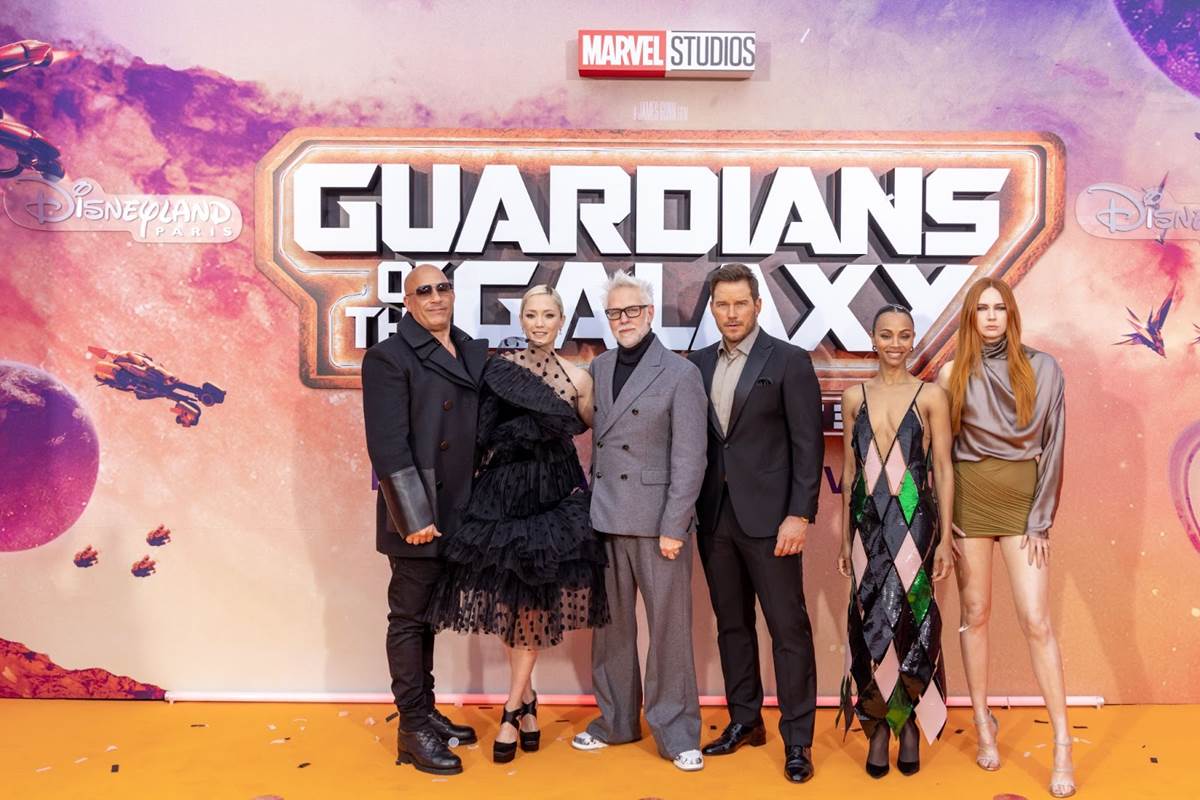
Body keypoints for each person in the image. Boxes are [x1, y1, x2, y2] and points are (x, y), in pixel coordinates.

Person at [425, 284, 609, 764]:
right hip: (503, 493)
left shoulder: (580, 377)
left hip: (553, 494)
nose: (540, 323)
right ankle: (526, 700)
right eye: (532, 315)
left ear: (561, 321)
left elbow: (603, 433)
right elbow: (477, 434)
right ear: (521, 320)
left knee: (532, 604)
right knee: (511, 601)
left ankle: (513, 706)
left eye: (548, 315)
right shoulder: (498, 369)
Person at [686, 264, 824, 784]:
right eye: (722, 304)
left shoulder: (788, 360)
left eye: (740, 303)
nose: (731, 313)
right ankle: (745, 720)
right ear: (712, 308)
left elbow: (808, 446)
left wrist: (800, 514)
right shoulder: (697, 364)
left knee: (788, 630)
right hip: (714, 516)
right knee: (732, 625)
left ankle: (797, 740)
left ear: (758, 305)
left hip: (773, 521)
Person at [936, 277, 1074, 798]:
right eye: (982, 308)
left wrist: (1041, 517)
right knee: (975, 615)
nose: (991, 316)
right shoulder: (952, 373)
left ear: (1011, 314)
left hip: (1023, 506)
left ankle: (1062, 743)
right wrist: (944, 514)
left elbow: (1054, 444)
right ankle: (982, 723)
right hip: (969, 502)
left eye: (999, 308)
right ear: (970, 317)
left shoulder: (1044, 368)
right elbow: (940, 454)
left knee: (1036, 620)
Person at [570, 270, 709, 772]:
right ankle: (615, 722)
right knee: (611, 630)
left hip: (657, 524)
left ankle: (678, 732)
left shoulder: (680, 374)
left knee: (669, 632)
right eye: (614, 313)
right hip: (606, 516)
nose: (623, 319)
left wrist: (675, 524)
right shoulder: (600, 367)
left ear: (649, 314)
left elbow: (690, 458)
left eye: (631, 311)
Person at [361, 264, 487, 776]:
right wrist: (413, 515)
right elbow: (386, 443)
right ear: (407, 303)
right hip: (418, 513)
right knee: (410, 618)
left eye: (443, 288)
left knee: (428, 617)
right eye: (424, 291)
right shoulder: (388, 357)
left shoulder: (470, 350)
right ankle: (412, 728)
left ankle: (426, 712)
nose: (436, 297)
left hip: (460, 508)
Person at [837, 304, 955, 778]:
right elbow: (849, 471)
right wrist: (843, 539)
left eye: (904, 335)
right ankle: (877, 727)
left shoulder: (931, 396)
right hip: (866, 526)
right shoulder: (854, 396)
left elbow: (943, 467)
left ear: (913, 340)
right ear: (873, 338)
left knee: (913, 621)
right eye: (886, 334)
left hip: (915, 522)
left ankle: (908, 725)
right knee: (869, 622)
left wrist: (944, 539)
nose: (895, 343)